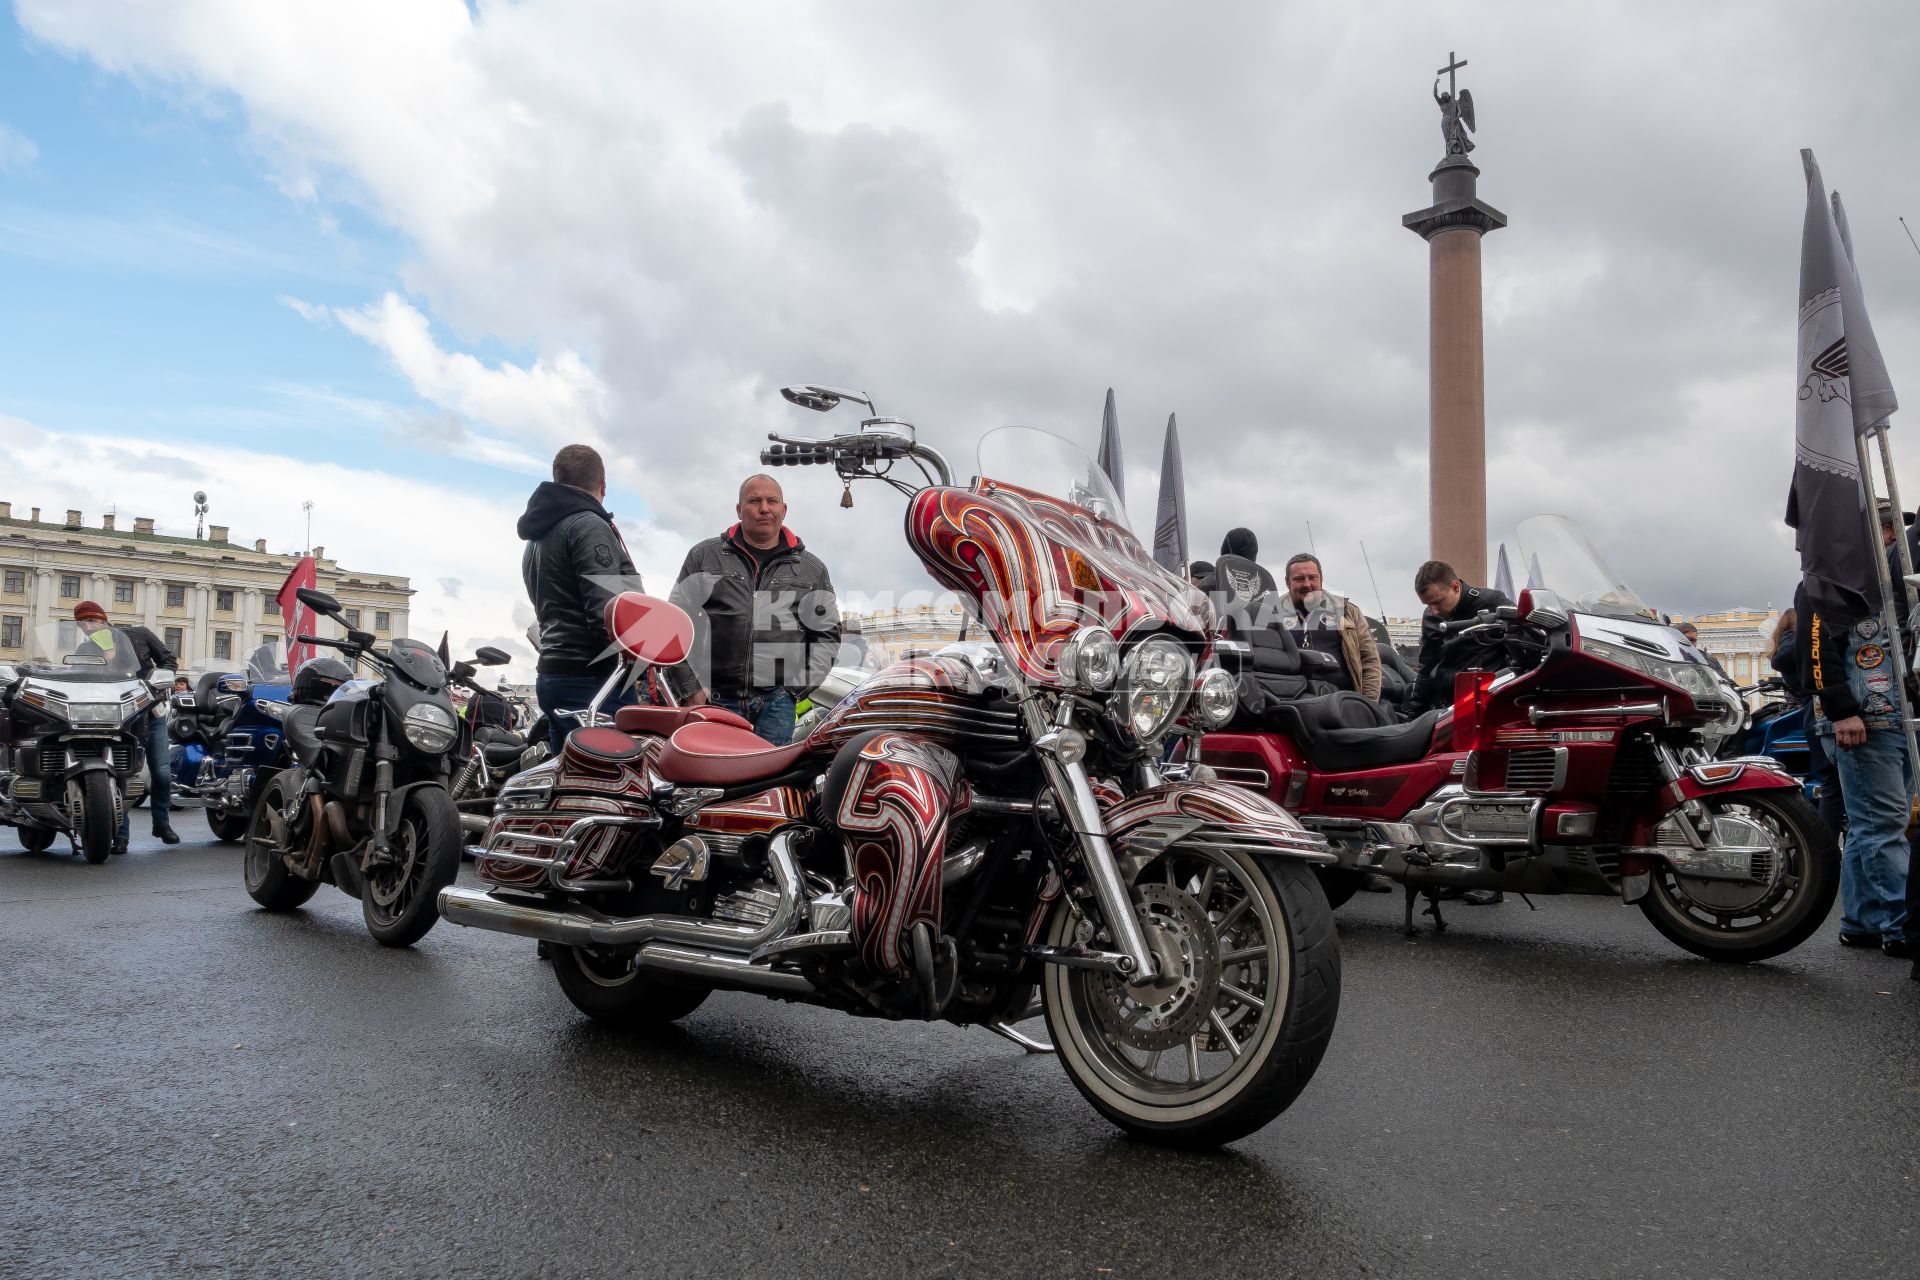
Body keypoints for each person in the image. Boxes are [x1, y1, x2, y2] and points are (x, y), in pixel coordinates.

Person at [671, 474, 840, 744]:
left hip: (778, 704)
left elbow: (826, 636)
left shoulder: (812, 569)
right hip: (715, 700)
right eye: (754, 501)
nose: (764, 508)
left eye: (772, 501)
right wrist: (691, 689)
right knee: (717, 779)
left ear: (783, 510)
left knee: (767, 781)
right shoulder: (704, 557)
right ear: (739, 510)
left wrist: (794, 690)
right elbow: (675, 625)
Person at [1800, 579, 1910, 956]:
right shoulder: (1825, 577)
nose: (1891, 532)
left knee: (1872, 827)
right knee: (1884, 825)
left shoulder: (1890, 575)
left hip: (1896, 718)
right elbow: (1815, 650)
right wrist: (1841, 709)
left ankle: (1862, 922)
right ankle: (1903, 925)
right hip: (1866, 719)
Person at [518, 444, 646, 752]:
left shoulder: (538, 538)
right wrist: (639, 661)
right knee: (612, 783)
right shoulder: (589, 526)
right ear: (603, 485)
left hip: (555, 673)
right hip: (595, 680)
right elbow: (608, 614)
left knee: (568, 780)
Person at [73, 601, 180, 851]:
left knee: (162, 774)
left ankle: (162, 823)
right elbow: (80, 676)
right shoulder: (85, 648)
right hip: (117, 718)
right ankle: (121, 835)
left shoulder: (139, 634)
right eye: (83, 624)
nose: (89, 627)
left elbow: (168, 660)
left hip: (150, 711)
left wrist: (157, 682)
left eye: (92, 621)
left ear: (103, 620)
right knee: (120, 775)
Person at [1411, 561, 1513, 715]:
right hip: (1445, 707)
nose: (1434, 611)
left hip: (1486, 703)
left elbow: (1523, 649)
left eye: (1438, 602)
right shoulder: (1430, 617)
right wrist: (1413, 716)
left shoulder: (1492, 603)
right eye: (1427, 604)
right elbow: (1426, 666)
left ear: (1455, 587)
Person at [1280, 553, 1381, 700]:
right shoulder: (1272, 613)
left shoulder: (1348, 611)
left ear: (1321, 579)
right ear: (1288, 582)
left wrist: (1368, 705)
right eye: (1299, 579)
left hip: (1344, 704)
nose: (1307, 584)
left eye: (1312, 577)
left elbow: (1370, 661)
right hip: (1290, 703)